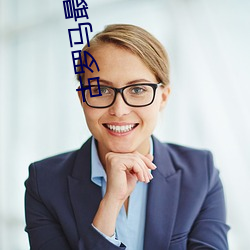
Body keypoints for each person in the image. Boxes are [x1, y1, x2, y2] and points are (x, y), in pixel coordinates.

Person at [24, 24, 230, 250]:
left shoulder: (201, 173)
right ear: (82, 99)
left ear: (163, 97)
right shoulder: (44, 183)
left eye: (138, 89)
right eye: (101, 90)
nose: (119, 110)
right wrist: (110, 205)